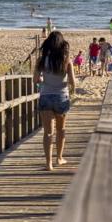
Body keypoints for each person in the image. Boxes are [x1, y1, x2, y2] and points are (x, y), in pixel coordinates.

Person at [33, 31, 76, 171]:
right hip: (61, 97)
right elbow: (72, 81)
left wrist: (43, 80)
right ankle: (59, 158)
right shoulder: (66, 60)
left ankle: (48, 163)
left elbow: (35, 80)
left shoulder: (41, 60)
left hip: (46, 96)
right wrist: (72, 90)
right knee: (61, 129)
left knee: (48, 132)